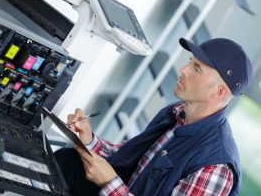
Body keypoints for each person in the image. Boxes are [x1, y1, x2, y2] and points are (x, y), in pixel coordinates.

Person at [54, 37, 253, 196]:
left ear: (219, 92)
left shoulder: (215, 168)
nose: (183, 70)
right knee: (66, 160)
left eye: (196, 69)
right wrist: (88, 139)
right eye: (189, 63)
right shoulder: (177, 114)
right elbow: (129, 157)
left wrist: (109, 183)